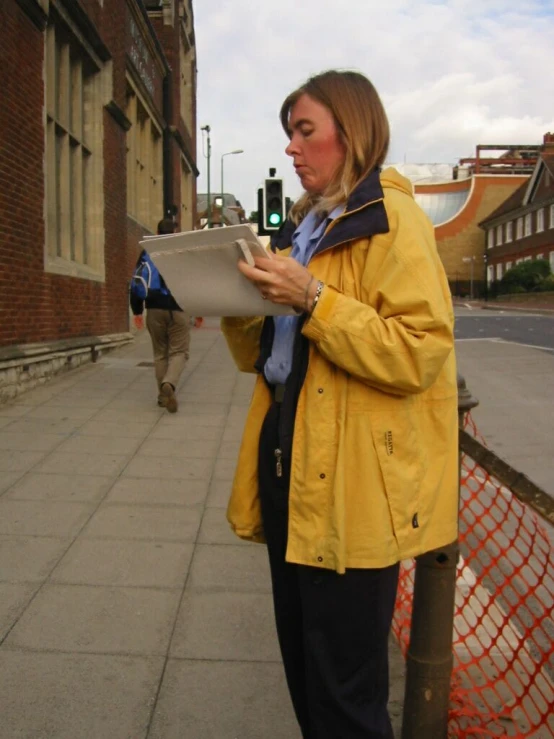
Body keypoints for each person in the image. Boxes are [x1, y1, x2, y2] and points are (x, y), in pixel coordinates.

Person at [221, 70, 459, 738]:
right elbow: (261, 360)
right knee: (305, 670)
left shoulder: (392, 218)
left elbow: (420, 350)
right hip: (285, 460)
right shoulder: (302, 229)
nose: (293, 149)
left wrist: (314, 300)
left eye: (305, 131)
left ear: (350, 132)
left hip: (351, 482)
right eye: (288, 134)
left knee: (346, 695)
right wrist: (234, 301)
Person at [130, 218, 199, 413]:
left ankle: (163, 395)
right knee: (179, 352)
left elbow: (135, 281)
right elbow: (195, 281)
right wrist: (198, 309)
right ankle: (169, 384)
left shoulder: (148, 251)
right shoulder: (182, 252)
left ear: (157, 232)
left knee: (160, 354)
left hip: (154, 309)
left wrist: (136, 310)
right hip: (179, 309)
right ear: (175, 232)